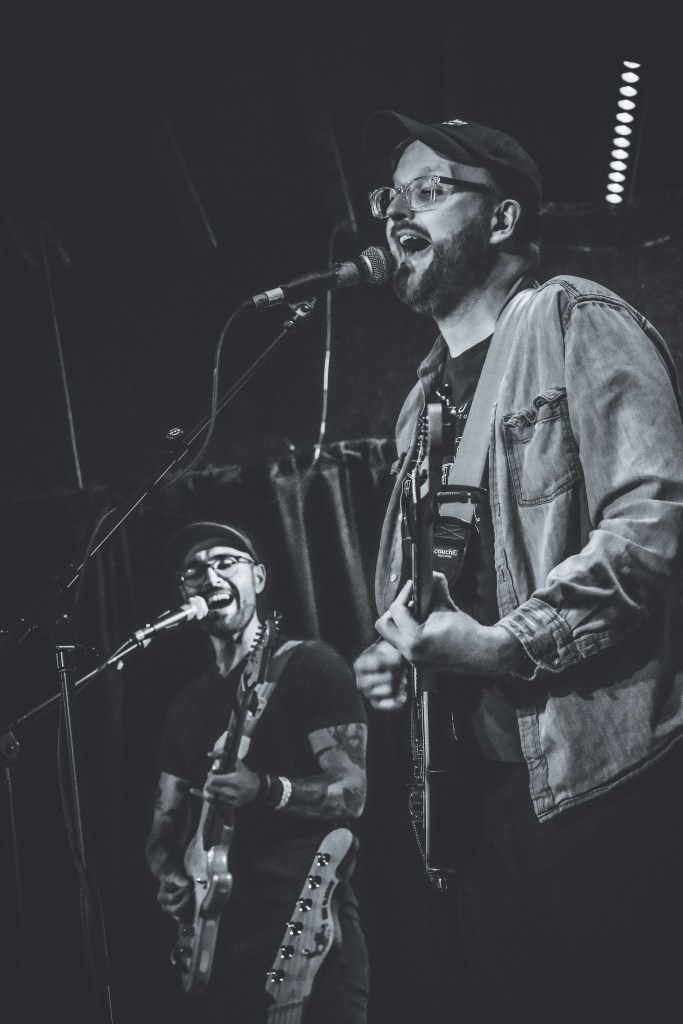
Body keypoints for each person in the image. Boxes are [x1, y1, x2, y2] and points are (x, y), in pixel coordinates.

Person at [353, 109, 683, 1022]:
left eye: (428, 191)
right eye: (390, 197)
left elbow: (651, 524)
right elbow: (439, 587)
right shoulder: (417, 405)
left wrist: (503, 647)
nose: (394, 215)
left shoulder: (575, 317)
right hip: (476, 807)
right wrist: (400, 656)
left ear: (500, 220)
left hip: (600, 785)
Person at [146, 521, 369, 1024]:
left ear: (260, 578)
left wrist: (267, 790)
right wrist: (169, 873)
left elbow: (352, 791)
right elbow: (163, 825)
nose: (209, 576)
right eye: (194, 571)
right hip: (217, 948)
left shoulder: (308, 664)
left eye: (226, 562)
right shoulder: (185, 706)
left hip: (307, 922)